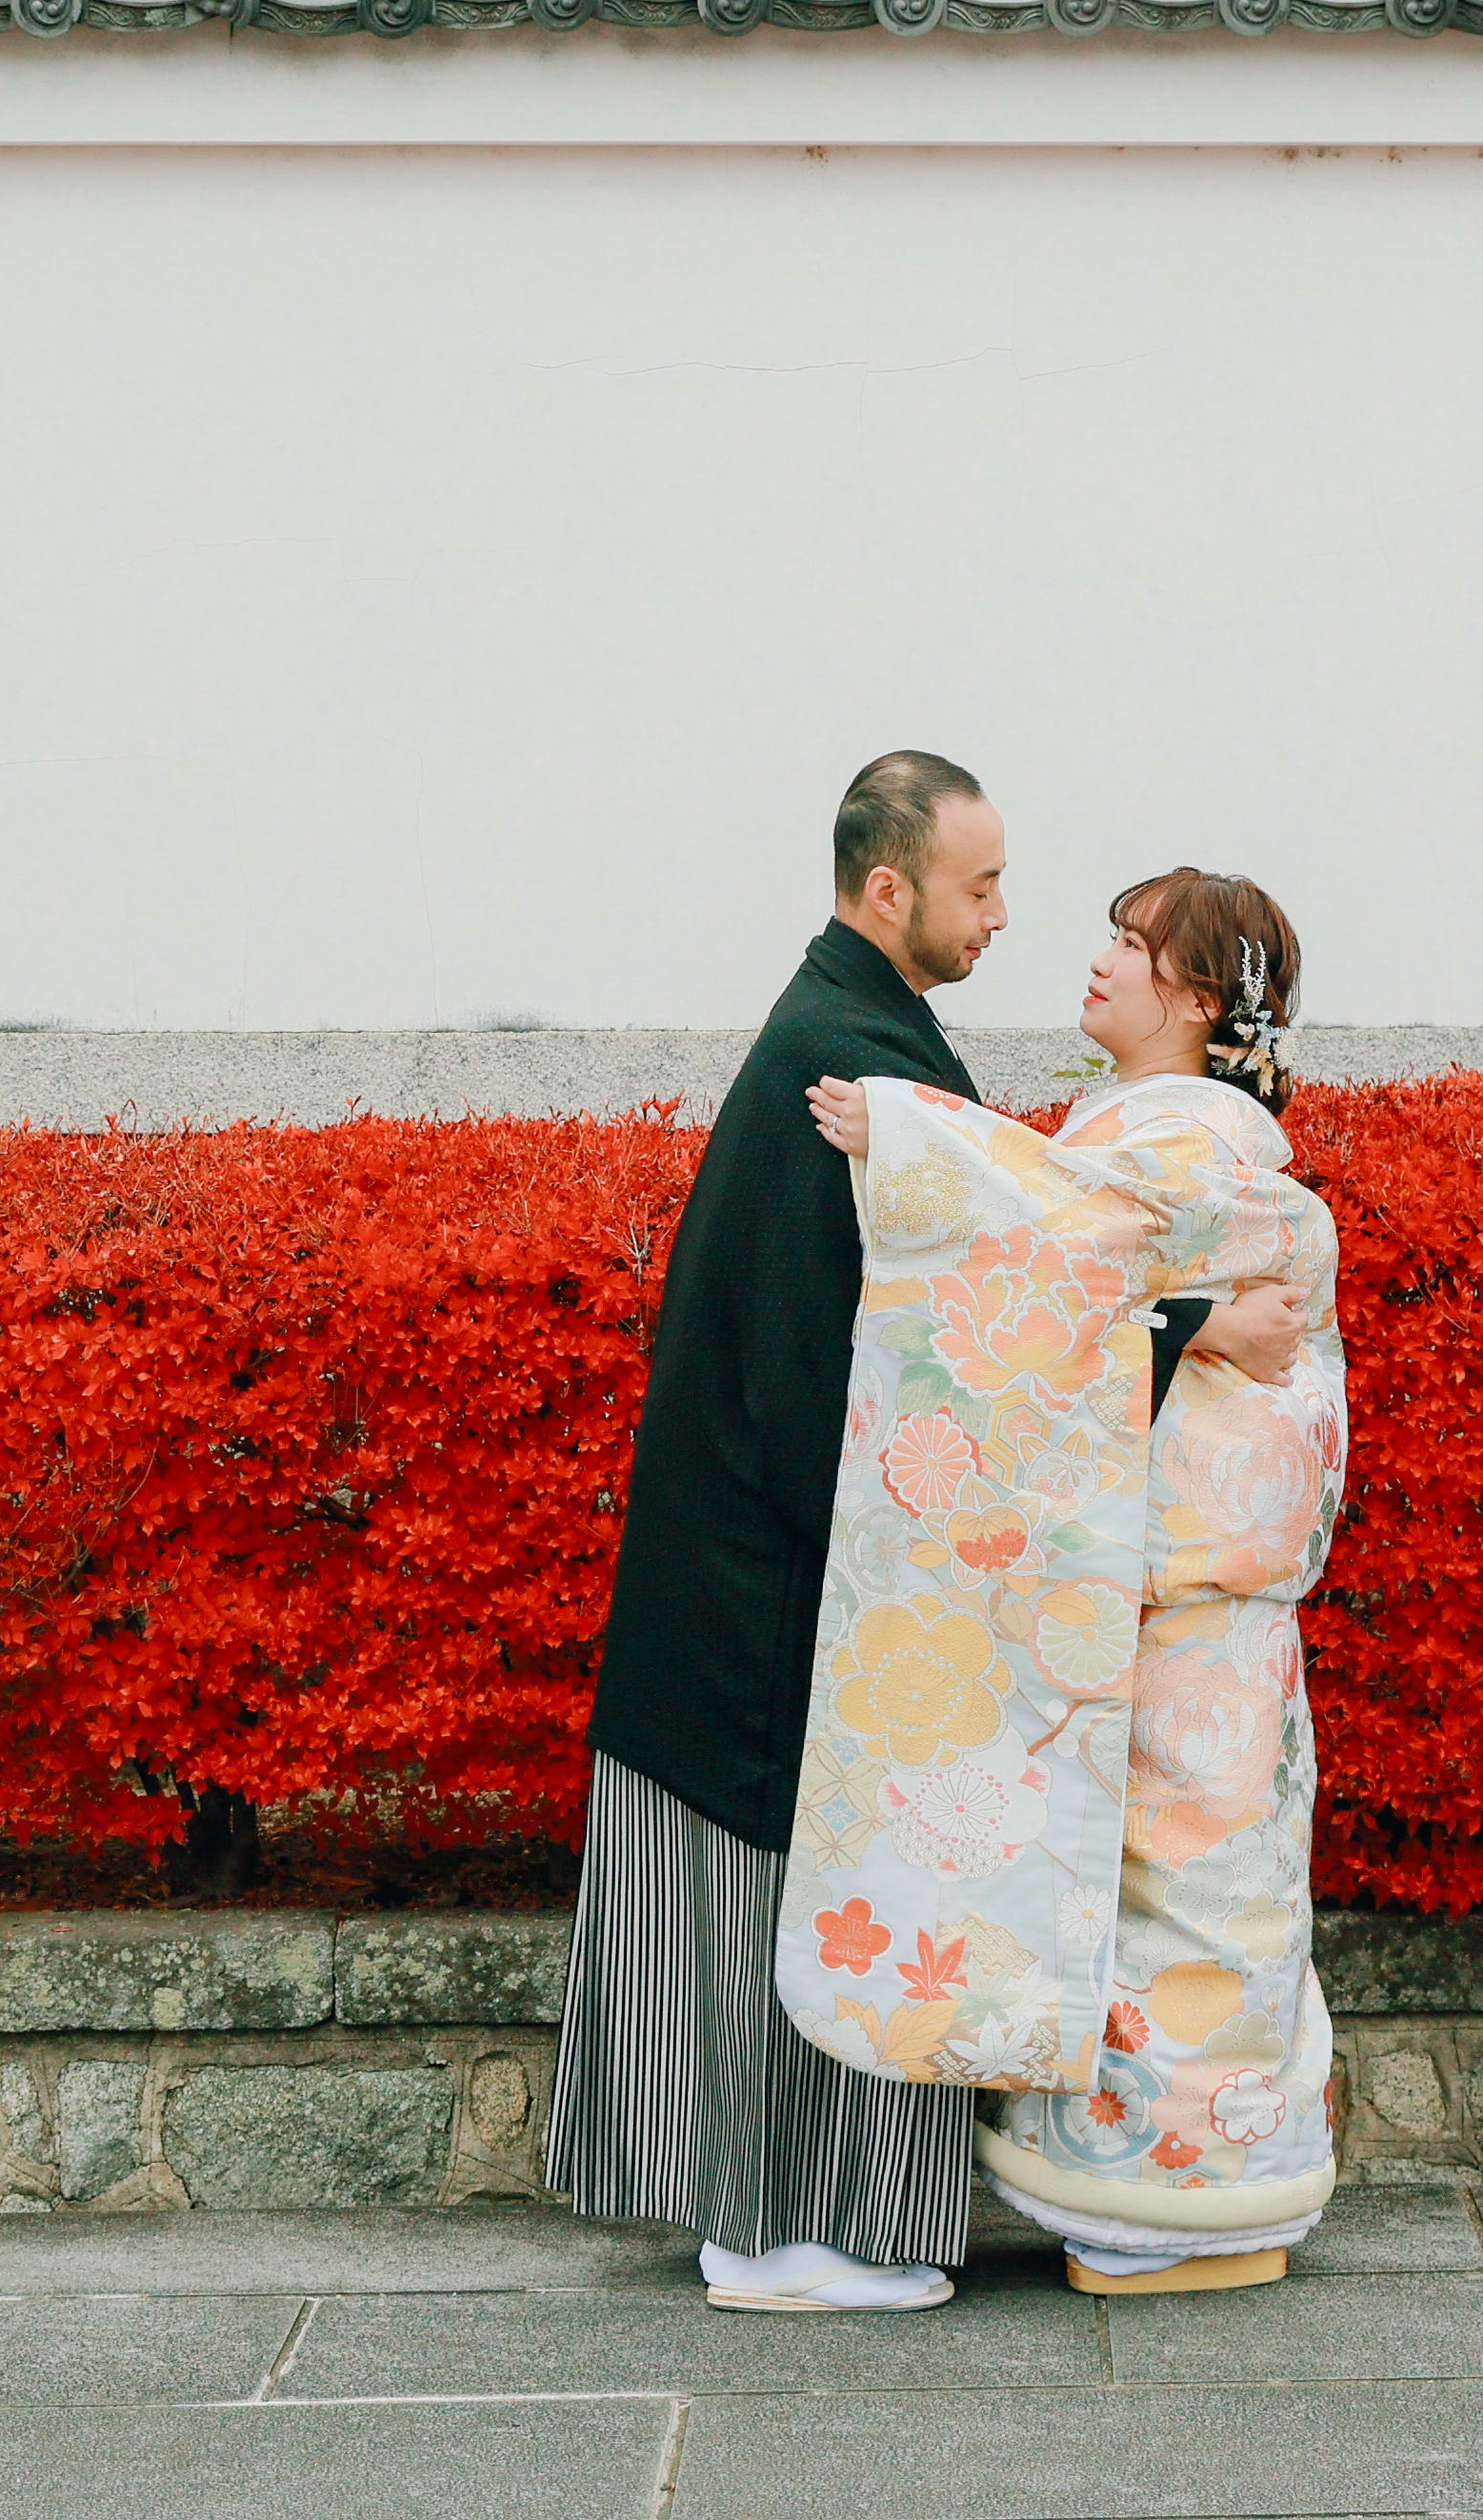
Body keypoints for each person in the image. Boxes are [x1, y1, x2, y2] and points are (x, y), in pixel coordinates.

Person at [550, 756, 1305, 2314]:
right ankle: (786, 2234)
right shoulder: (849, 1054)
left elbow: (992, 1275)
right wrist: (1196, 1326)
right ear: (887, 887)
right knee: (806, 1909)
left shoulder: (856, 1036)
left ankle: (787, 2223)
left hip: (772, 1555)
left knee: (797, 1913)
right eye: (980, 887)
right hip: (779, 1574)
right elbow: (976, 1325)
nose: (1006, 916)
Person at [783, 868, 1350, 2297]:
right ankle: (1190, 2192)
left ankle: (1174, 2204)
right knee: (1171, 1887)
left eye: (1133, 946)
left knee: (1174, 1888)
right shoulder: (1144, 1135)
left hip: (1173, 1601)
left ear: (1200, 996)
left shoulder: (1192, 1142)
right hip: (1164, 1607)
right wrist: (1199, 1319)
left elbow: (1048, 1256)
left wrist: (914, 1137)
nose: (1098, 962)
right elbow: (1072, 1265)